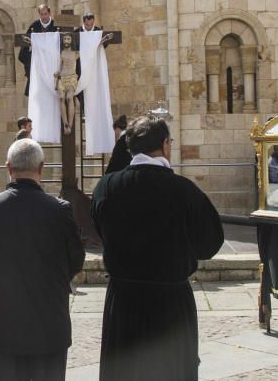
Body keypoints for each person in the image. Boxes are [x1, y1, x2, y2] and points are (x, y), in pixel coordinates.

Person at [91, 115, 223, 380]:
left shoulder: (107, 187)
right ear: (165, 145)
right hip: (170, 305)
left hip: (124, 302)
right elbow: (210, 241)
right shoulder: (184, 190)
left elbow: (99, 229)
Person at [0, 138, 85, 381]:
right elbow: (76, 258)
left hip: (5, 319)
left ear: (8, 167)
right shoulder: (59, 209)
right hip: (49, 319)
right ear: (41, 167)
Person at [17, 3, 60, 96]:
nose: (44, 16)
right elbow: (25, 44)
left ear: (49, 14)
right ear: (39, 14)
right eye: (42, 14)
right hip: (38, 63)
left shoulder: (56, 25)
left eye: (45, 14)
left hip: (52, 62)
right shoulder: (34, 26)